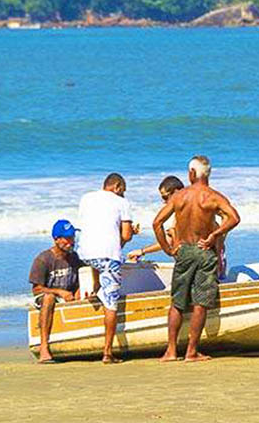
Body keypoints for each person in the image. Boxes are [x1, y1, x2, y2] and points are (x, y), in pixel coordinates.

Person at [152, 155, 240, 362]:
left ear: (192, 173)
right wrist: (214, 236)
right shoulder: (213, 197)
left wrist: (168, 249)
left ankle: (171, 351)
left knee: (177, 302)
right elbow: (234, 218)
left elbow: (157, 223)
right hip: (204, 250)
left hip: (184, 251)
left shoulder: (179, 196)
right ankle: (191, 351)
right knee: (200, 302)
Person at [76, 173, 138, 363]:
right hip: (107, 257)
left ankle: (96, 287)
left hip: (84, 253)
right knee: (111, 303)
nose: (124, 195)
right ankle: (108, 352)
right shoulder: (122, 203)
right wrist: (131, 234)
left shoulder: (86, 198)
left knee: (102, 262)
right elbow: (126, 236)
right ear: (117, 187)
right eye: (123, 191)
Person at [127, 176, 228, 280]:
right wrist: (142, 251)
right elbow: (169, 241)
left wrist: (218, 251)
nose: (164, 202)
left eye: (165, 197)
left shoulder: (196, 207)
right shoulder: (180, 213)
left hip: (209, 262)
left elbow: (224, 223)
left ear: (176, 192)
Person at [30, 219, 84, 364]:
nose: (71, 242)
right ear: (56, 239)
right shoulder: (43, 259)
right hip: (46, 296)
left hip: (68, 296)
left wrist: (79, 290)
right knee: (49, 298)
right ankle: (44, 347)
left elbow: (84, 274)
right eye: (67, 238)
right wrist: (59, 292)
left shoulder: (74, 257)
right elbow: (36, 289)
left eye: (72, 237)